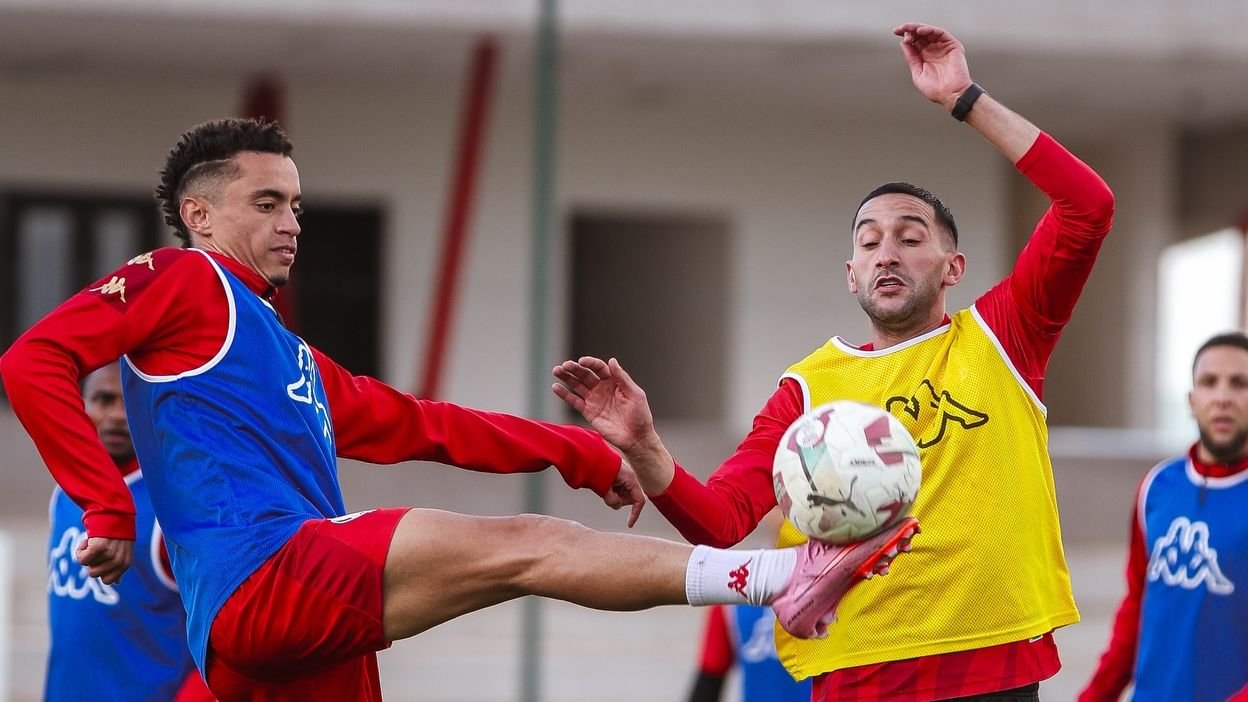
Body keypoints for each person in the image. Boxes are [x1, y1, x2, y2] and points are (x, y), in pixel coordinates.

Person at [0, 117, 920, 700]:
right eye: (267, 201)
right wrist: (108, 500)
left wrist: (572, 449)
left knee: (525, 545)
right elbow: (33, 358)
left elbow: (417, 423)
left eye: (299, 204)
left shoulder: (281, 349)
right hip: (265, 574)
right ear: (200, 217)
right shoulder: (184, 278)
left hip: (257, 645)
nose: (292, 222)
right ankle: (774, 579)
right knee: (528, 546)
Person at [553, 22, 1115, 701]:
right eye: (870, 241)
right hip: (855, 672)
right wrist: (644, 446)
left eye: (911, 238)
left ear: (953, 267)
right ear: (851, 275)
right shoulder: (807, 388)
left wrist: (964, 98)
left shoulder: (1003, 337)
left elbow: (1088, 206)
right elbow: (723, 521)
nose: (888, 253)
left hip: (990, 666)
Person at [1079, 332, 1248, 701]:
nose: (1222, 397)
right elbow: (1137, 607)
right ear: (1192, 400)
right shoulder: (1157, 486)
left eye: (1239, 384)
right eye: (1208, 382)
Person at [45, 362, 214, 701]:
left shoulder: (172, 505)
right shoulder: (64, 493)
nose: (118, 415)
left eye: (129, 401)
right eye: (104, 400)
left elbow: (218, 639)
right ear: (81, 405)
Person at [687, 512, 811, 702]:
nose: (794, 511)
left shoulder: (854, 582)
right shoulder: (734, 584)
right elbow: (708, 684)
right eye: (784, 498)